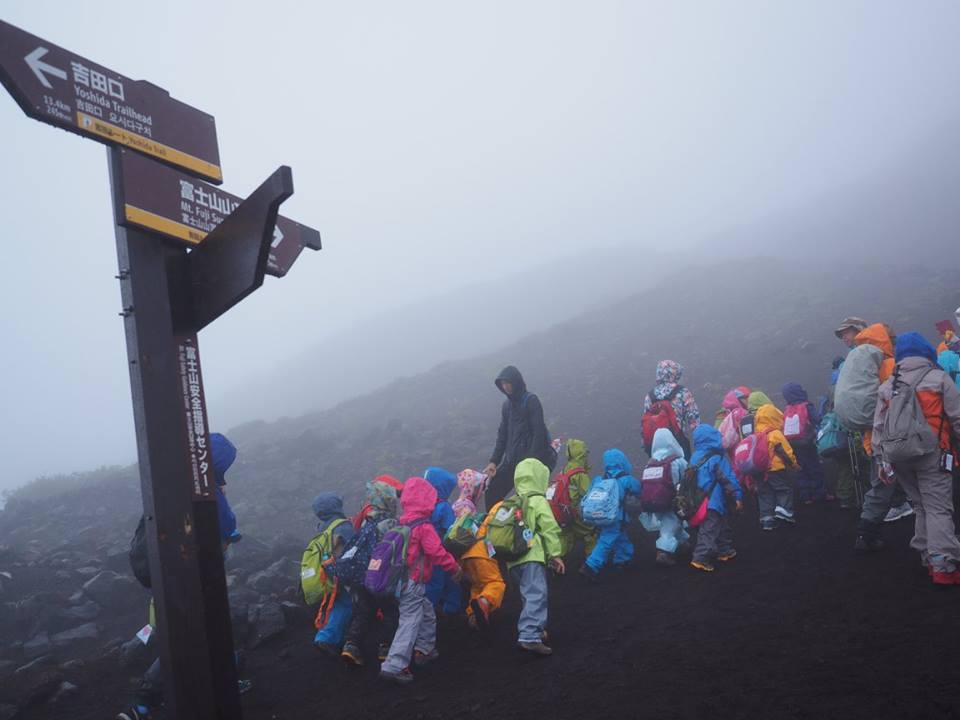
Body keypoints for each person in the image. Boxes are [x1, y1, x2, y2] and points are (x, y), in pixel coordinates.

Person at [117, 433, 247, 720]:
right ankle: (153, 699)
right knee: (203, 629)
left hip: (165, 575)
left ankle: (145, 702)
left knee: (181, 632)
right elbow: (226, 527)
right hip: (192, 576)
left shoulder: (169, 483)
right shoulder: (205, 487)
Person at [872, 332, 960, 585]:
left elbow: (878, 426)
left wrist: (882, 460)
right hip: (933, 451)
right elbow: (957, 418)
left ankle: (927, 554)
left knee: (920, 504)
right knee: (938, 507)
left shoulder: (888, 386)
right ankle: (943, 564)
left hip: (898, 456)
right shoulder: (938, 378)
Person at [380, 477, 462, 684]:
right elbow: (436, 551)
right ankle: (395, 665)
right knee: (410, 621)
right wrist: (454, 567)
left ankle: (424, 650)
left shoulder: (401, 522)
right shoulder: (423, 526)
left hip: (399, 583)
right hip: (413, 582)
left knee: (426, 613)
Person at [505, 458, 565, 655]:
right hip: (532, 555)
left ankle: (535, 630)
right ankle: (530, 637)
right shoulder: (537, 500)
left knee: (528, 594)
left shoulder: (512, 502)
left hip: (513, 560)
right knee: (536, 594)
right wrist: (555, 554)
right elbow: (548, 527)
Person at [339, 479, 401, 666]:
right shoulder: (390, 523)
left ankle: (351, 645)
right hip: (379, 576)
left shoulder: (368, 522)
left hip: (359, 575)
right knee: (390, 610)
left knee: (364, 611)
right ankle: (386, 646)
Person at [482, 366, 554, 508]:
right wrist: (494, 462)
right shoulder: (507, 406)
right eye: (502, 384)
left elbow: (538, 434)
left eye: (508, 383)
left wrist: (530, 463)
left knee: (526, 500)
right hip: (511, 462)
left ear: (516, 382)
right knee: (492, 490)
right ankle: (495, 526)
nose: (506, 387)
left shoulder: (531, 401)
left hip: (529, 462)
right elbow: (502, 435)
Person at [452, 469, 506, 630]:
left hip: (464, 557)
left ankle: (474, 615)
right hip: (479, 552)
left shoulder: (457, 503)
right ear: (475, 488)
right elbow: (473, 531)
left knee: (477, 586)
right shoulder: (467, 506)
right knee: (495, 583)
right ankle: (484, 602)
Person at [579, 449, 641, 581]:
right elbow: (638, 490)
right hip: (615, 517)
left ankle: (623, 559)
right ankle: (590, 566)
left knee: (620, 536)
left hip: (600, 515)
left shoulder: (599, 480)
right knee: (606, 541)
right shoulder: (626, 480)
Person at [689, 425, 744, 572]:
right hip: (713, 500)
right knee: (710, 529)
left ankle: (724, 550)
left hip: (699, 499)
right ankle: (700, 558)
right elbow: (728, 478)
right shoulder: (717, 458)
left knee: (720, 524)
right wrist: (737, 495)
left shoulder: (695, 458)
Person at [311, 492, 356, 655]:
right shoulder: (343, 526)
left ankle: (330, 636)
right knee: (345, 603)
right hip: (340, 571)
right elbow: (354, 546)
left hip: (326, 571)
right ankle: (327, 638)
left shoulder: (322, 527)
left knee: (335, 603)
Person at [638, 429, 691, 566]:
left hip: (654, 501)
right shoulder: (677, 460)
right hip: (671, 500)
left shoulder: (650, 463)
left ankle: (682, 544)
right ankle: (663, 551)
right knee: (670, 525)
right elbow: (689, 475)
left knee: (672, 523)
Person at [423, 467, 463, 616]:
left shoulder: (424, 506)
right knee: (451, 583)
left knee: (432, 585)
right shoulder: (443, 506)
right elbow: (451, 530)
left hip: (427, 553)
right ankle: (451, 612)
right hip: (443, 552)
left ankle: (429, 612)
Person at [782, 382, 830, 504]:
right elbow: (818, 419)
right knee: (814, 467)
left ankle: (806, 496)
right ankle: (820, 493)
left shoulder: (787, 409)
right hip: (806, 443)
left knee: (801, 469)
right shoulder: (806, 406)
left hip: (792, 443)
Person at [754, 404, 800, 531]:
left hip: (760, 471)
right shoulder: (774, 433)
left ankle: (767, 520)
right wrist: (793, 463)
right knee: (784, 489)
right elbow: (784, 451)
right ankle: (784, 512)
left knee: (765, 494)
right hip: (775, 469)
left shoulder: (756, 435)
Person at [642, 360, 701, 458]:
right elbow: (694, 421)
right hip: (678, 441)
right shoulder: (683, 392)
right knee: (682, 471)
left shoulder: (649, 395)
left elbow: (645, 421)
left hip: (656, 445)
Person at [557, 439, 598, 559]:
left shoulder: (565, 469)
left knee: (567, 536)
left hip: (563, 511)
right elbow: (590, 493)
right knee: (591, 533)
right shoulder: (579, 473)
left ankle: (556, 560)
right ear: (582, 454)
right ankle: (592, 561)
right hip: (575, 512)